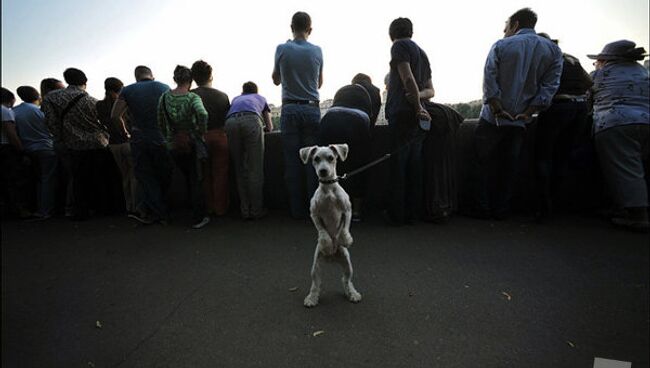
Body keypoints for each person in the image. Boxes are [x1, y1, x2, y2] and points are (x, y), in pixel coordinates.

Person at [472, 8, 562, 220]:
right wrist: (530, 111)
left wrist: (497, 108)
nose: (504, 32)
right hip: (522, 120)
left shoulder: (502, 45)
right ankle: (502, 209)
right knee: (510, 167)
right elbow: (550, 86)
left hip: (493, 118)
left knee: (481, 163)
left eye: (506, 27)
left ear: (515, 24)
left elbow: (489, 79)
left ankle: (481, 208)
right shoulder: (553, 51)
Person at [588, 40, 649, 231]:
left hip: (615, 123)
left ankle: (638, 217)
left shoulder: (600, 75)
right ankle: (623, 209)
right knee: (640, 168)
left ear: (606, 59)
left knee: (625, 171)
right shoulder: (643, 73)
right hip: (646, 120)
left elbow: (587, 99)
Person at [534, 33, 593, 221]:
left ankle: (543, 206)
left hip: (558, 106)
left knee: (542, 157)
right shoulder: (570, 58)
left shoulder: (543, 57)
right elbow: (590, 82)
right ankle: (559, 203)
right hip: (580, 108)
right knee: (562, 157)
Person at [272, 11, 323, 219]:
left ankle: (296, 211)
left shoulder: (282, 48)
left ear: (291, 27)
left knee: (292, 162)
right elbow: (319, 83)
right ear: (310, 29)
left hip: (290, 108)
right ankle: (313, 210)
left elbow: (276, 80)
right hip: (312, 108)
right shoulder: (318, 50)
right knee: (313, 162)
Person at [42, 68, 110, 220]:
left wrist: (61, 138)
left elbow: (51, 122)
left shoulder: (51, 98)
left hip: (72, 145)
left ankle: (81, 211)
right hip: (97, 143)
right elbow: (102, 123)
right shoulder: (92, 101)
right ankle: (102, 208)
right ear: (85, 82)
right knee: (99, 177)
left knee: (78, 180)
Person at [383, 17, 433, 226]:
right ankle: (413, 213)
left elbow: (407, 77)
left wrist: (416, 105)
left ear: (391, 34)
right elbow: (431, 90)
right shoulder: (422, 53)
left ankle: (398, 215)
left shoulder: (399, 46)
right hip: (418, 119)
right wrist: (420, 101)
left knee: (398, 166)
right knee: (415, 165)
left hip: (402, 114)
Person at [111, 66, 172, 225]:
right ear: (152, 75)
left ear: (136, 77)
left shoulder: (127, 90)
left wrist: (125, 133)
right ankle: (163, 209)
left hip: (139, 141)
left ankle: (158, 213)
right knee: (163, 175)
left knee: (146, 177)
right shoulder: (164, 87)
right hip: (161, 139)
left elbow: (115, 115)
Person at [158, 65, 210, 229]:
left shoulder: (164, 98)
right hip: (191, 142)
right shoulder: (192, 98)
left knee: (185, 177)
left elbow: (159, 121)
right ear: (190, 80)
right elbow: (203, 114)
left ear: (175, 79)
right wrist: (201, 131)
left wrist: (168, 138)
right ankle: (198, 217)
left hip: (173, 145)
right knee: (195, 178)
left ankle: (187, 209)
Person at [318, 80, 375, 221]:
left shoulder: (342, 91)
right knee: (359, 167)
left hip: (329, 119)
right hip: (357, 122)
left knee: (329, 167)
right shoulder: (369, 94)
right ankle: (356, 211)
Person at [224, 81, 273, 220]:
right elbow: (269, 127)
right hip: (251, 120)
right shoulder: (260, 98)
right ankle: (256, 210)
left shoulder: (235, 99)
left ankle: (244, 211)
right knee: (255, 170)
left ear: (242, 92)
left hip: (230, 123)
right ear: (256, 91)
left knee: (239, 169)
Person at [191, 60, 231, 216]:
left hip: (200, 138)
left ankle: (208, 207)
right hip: (220, 137)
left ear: (194, 77)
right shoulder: (222, 96)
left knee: (204, 174)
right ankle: (221, 208)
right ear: (211, 76)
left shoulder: (190, 95)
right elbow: (226, 120)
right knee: (221, 173)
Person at [13, 86, 58, 220]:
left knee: (38, 180)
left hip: (27, 149)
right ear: (37, 96)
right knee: (48, 180)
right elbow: (51, 128)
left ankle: (37, 208)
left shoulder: (15, 111)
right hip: (46, 147)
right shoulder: (39, 111)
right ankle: (46, 210)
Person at [96, 77, 137, 215]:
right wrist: (127, 133)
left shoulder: (100, 105)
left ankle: (128, 206)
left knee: (124, 176)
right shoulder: (124, 103)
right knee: (134, 175)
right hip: (127, 142)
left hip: (113, 144)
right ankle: (136, 205)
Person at [1, 87, 31, 218]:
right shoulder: (5, 111)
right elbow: (11, 134)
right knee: (14, 180)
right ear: (10, 99)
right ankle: (19, 210)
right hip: (6, 149)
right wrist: (21, 150)